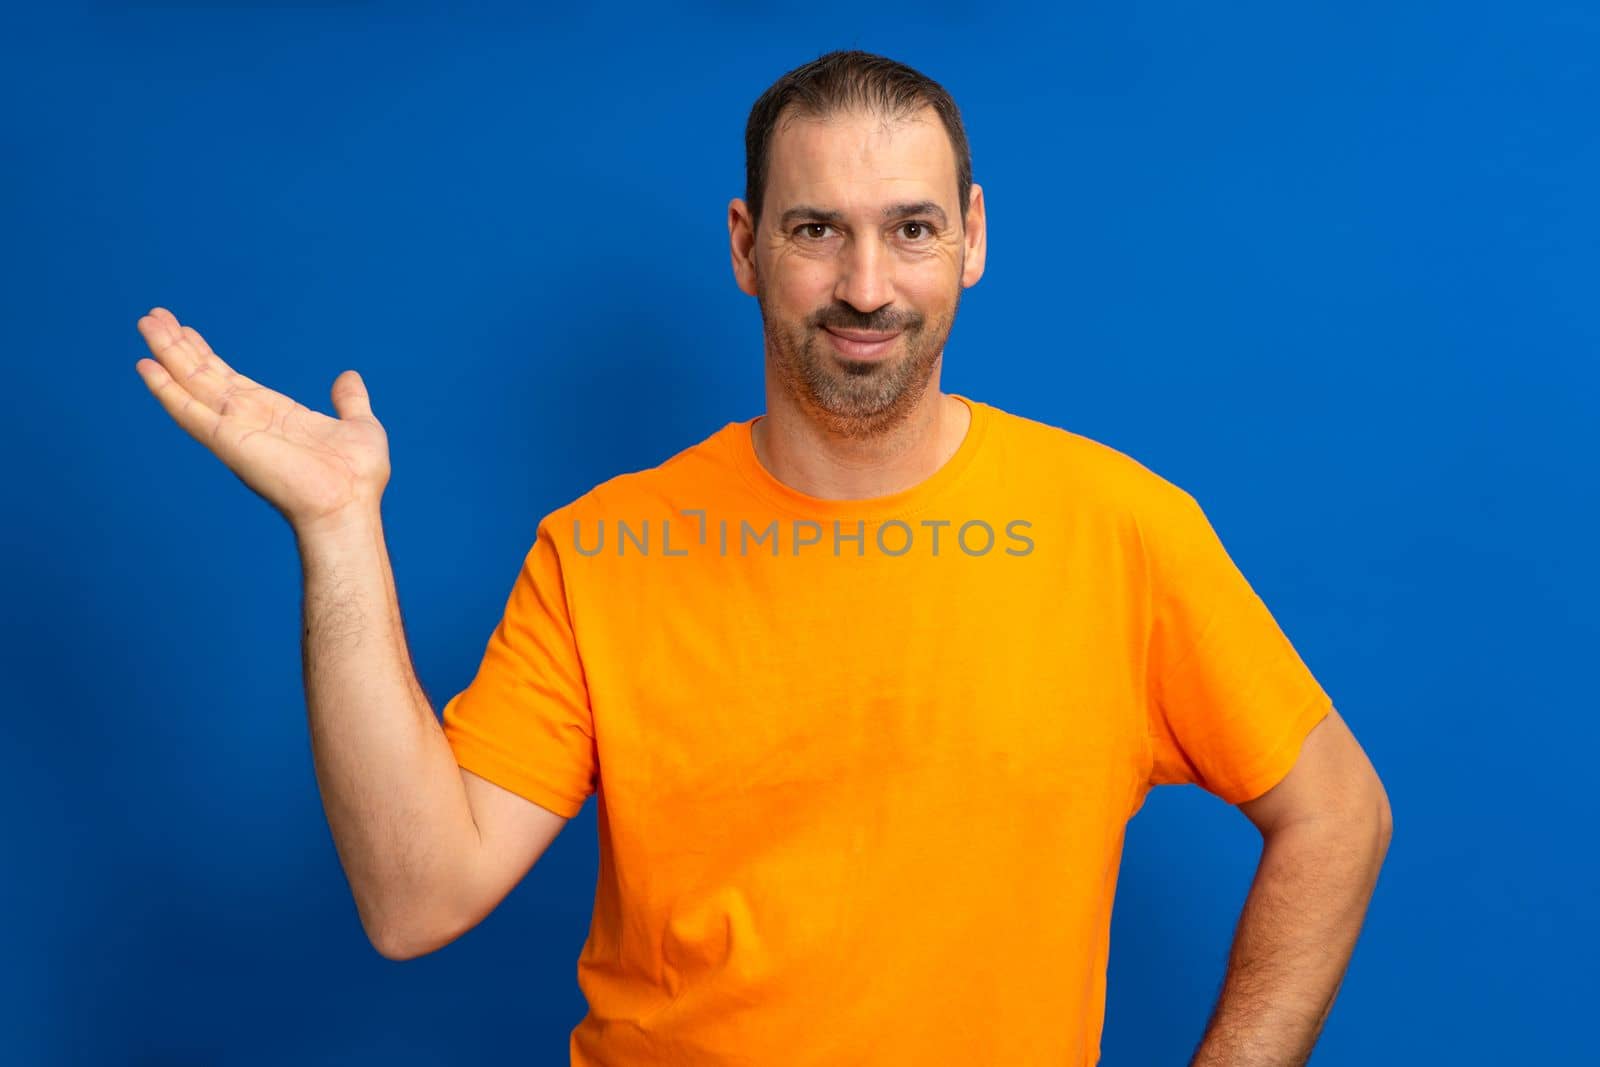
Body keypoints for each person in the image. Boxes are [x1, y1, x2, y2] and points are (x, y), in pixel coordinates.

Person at [133, 48, 1392, 1067]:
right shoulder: (601, 548)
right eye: (814, 230)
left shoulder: (1119, 528)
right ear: (745, 247)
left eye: (908, 229)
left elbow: (1337, 809)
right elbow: (416, 895)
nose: (864, 284)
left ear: (972, 239)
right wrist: (338, 530)